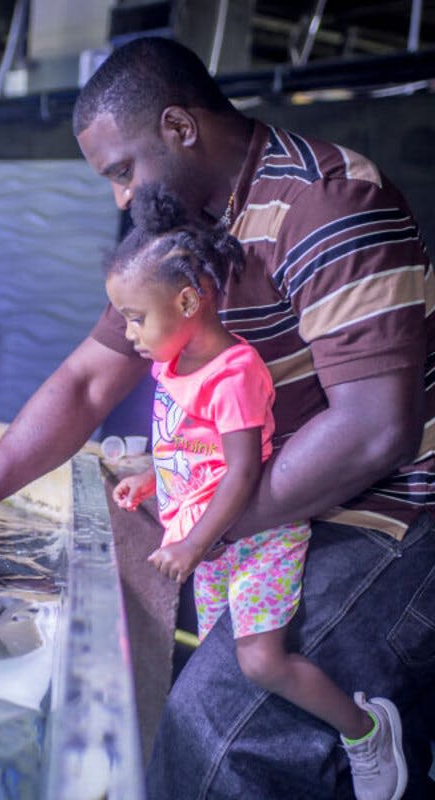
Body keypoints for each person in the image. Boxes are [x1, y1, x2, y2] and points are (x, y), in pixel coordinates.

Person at [0, 35, 435, 797]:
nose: (122, 199)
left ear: (181, 128)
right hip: (291, 503)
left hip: (398, 513)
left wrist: (208, 525)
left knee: (211, 730)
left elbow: (375, 429)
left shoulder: (328, 203)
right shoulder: (179, 235)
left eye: (123, 171)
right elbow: (88, 380)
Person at [108, 183, 407, 799]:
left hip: (255, 538)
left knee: (259, 662)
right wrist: (153, 479)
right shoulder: (170, 365)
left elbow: (244, 472)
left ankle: (367, 730)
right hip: (212, 542)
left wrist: (192, 544)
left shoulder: (234, 374)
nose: (129, 333)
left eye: (136, 317)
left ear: (187, 300)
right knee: (220, 659)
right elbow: (189, 448)